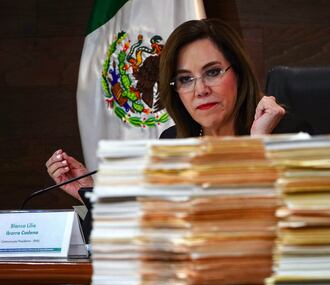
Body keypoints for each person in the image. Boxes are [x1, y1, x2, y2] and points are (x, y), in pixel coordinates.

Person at [46, 18, 311, 201]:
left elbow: (295, 224)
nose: (200, 90)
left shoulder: (289, 135)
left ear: (239, 73)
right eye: (185, 79)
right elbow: (143, 233)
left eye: (213, 72)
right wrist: (89, 191)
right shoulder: (172, 143)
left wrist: (259, 146)